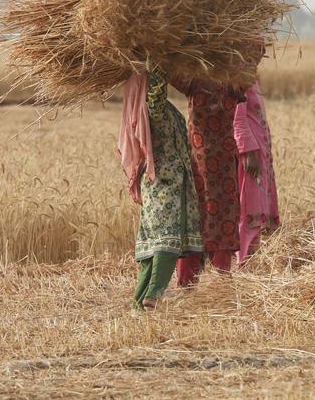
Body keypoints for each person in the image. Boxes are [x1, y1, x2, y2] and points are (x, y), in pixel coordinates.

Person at [119, 68, 202, 309]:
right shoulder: (153, 112)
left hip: (160, 186)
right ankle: (152, 295)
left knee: (152, 247)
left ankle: (138, 302)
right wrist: (159, 63)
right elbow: (155, 94)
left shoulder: (148, 114)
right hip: (167, 186)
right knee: (167, 244)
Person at [170, 78, 243, 282]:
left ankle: (186, 282)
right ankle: (222, 281)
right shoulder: (234, 81)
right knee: (223, 220)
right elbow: (254, 54)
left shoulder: (193, 79)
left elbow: (167, 66)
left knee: (194, 221)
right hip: (225, 163)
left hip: (199, 162)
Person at [233, 78, 280, 264]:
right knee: (249, 209)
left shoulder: (252, 78)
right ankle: (243, 262)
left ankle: (253, 261)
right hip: (252, 155)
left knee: (259, 207)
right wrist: (248, 151)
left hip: (262, 154)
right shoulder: (239, 79)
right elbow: (237, 118)